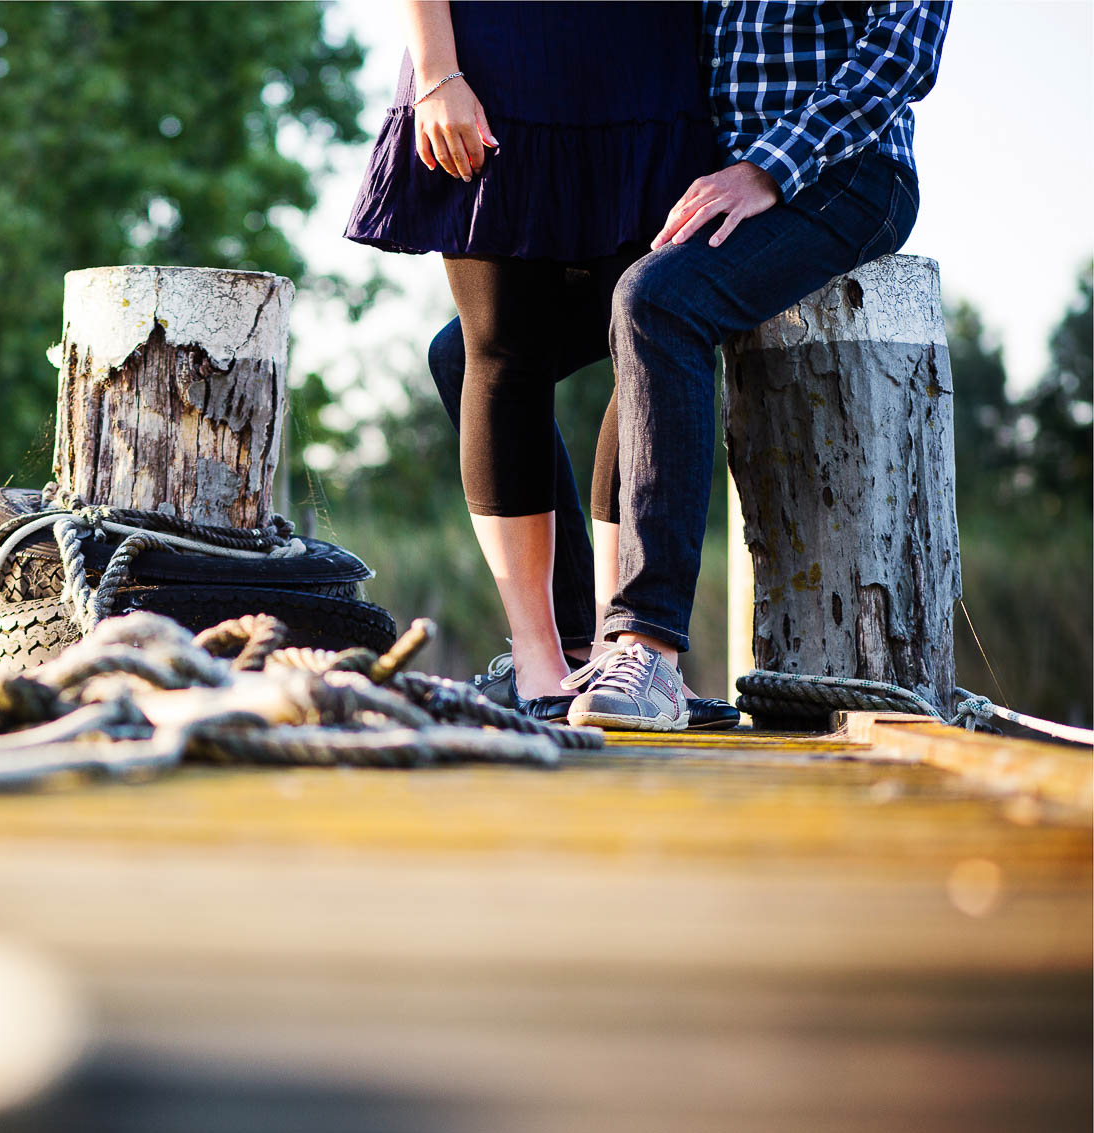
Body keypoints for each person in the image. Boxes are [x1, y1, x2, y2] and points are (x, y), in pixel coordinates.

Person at [564, 1, 951, 731]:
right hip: (707, 190)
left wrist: (769, 168)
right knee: (471, 350)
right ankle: (573, 652)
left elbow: (902, 54)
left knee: (659, 302)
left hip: (846, 172)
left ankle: (650, 650)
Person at [345, 2, 715, 720]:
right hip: (494, 58)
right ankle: (542, 663)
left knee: (647, 338)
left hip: (653, 67)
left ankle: (623, 657)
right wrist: (436, 73)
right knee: (503, 347)